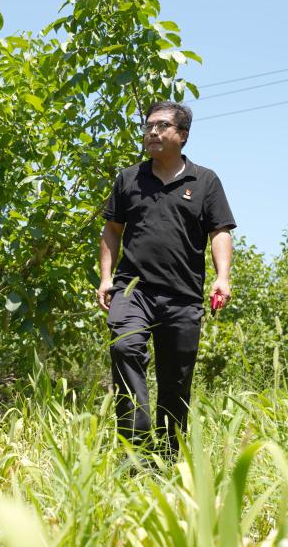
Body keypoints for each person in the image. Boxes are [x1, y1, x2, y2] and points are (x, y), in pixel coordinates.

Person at [98, 100, 235, 458]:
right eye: (148, 126)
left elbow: (220, 232)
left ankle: (168, 459)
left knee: (175, 382)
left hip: (183, 297)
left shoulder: (205, 181)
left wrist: (222, 278)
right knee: (125, 348)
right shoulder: (129, 179)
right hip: (133, 291)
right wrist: (105, 278)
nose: (152, 132)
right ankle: (136, 450)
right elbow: (112, 231)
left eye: (161, 126)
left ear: (183, 135)